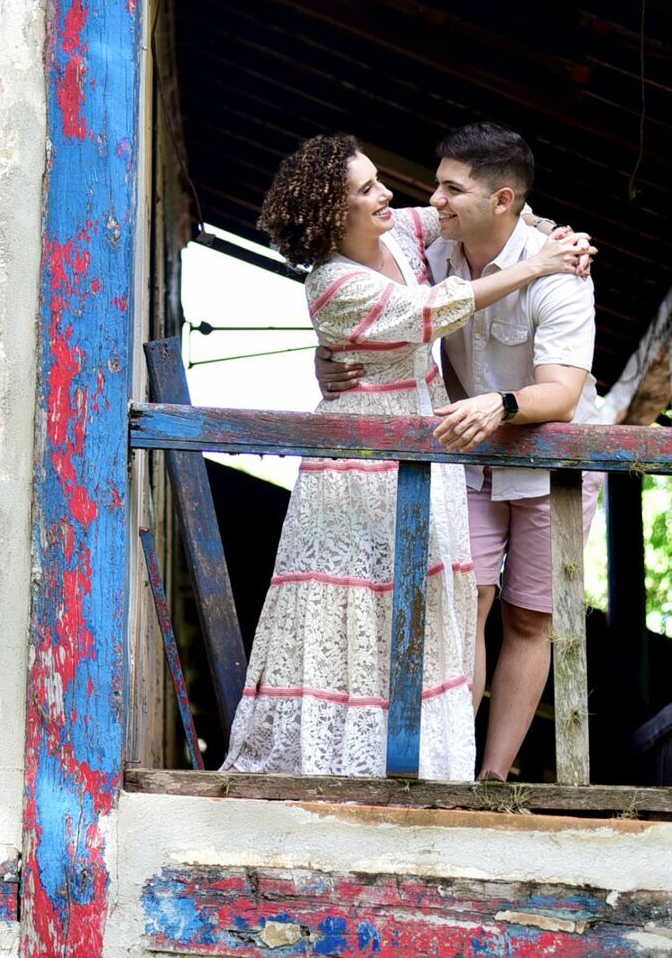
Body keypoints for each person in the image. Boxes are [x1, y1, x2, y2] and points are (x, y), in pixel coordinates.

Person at [224, 134, 592, 780]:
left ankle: (437, 767)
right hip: (361, 466)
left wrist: (549, 234)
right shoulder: (330, 286)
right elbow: (428, 311)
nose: (391, 193)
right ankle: (337, 768)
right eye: (367, 189)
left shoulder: (403, 234)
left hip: (428, 454)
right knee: (353, 612)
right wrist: (537, 267)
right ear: (335, 214)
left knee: (430, 610)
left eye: (377, 180)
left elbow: (496, 212)